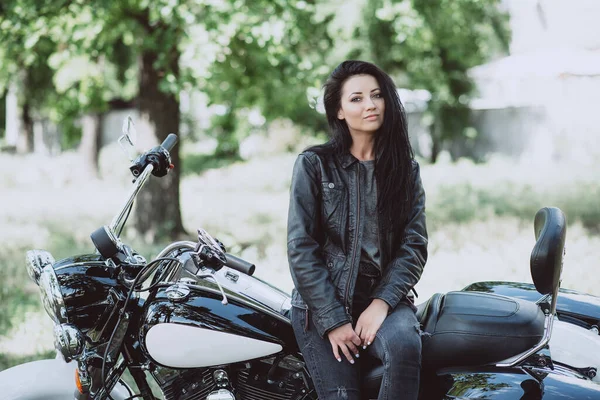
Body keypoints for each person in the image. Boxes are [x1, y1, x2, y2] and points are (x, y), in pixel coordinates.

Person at [287, 60, 428, 400]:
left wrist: (381, 303)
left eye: (377, 96)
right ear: (338, 111)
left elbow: (414, 246)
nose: (369, 105)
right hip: (323, 303)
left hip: (386, 298)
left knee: (405, 347)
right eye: (357, 98)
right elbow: (301, 248)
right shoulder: (314, 165)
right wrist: (334, 320)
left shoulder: (404, 169)